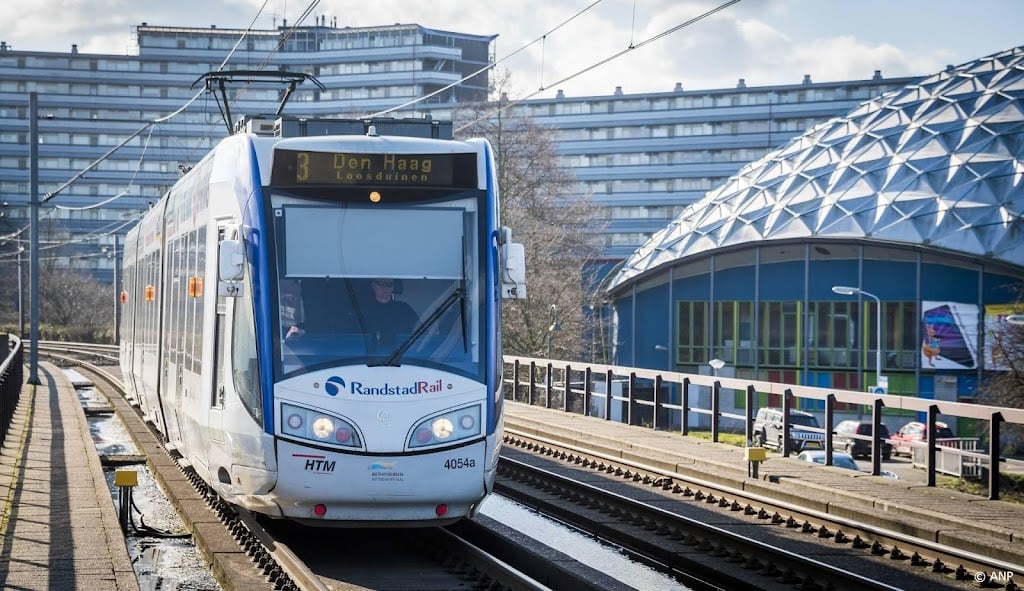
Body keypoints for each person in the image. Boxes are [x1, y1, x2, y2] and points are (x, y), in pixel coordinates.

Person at [362, 278, 418, 348]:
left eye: (389, 284)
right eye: (381, 284)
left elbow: (419, 329)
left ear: (393, 287)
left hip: (399, 354)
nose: (385, 288)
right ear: (373, 286)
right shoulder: (363, 309)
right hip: (366, 355)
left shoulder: (404, 308)